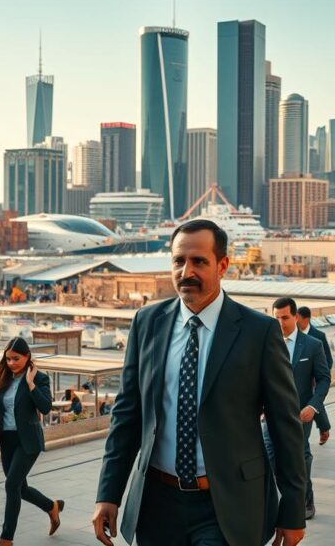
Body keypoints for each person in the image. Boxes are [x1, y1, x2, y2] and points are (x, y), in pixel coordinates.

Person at [93, 219, 306, 546]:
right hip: (157, 504)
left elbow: (284, 426)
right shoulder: (147, 323)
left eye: (199, 261)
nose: (186, 271)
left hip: (226, 504)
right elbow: (127, 414)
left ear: (222, 265)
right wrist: (108, 494)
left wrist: (292, 509)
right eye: (179, 261)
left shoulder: (258, 332)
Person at [0, 337, 63, 545]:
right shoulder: (2, 378)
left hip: (28, 441)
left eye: (16, 358)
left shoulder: (40, 378)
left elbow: (46, 407)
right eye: (8, 359)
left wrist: (30, 384)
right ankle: (51, 506)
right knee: (20, 488)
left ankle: (6, 539)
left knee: (11, 485)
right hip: (6, 440)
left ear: (27, 356)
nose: (11, 363)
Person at [264, 297, 330, 521]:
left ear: (295, 317)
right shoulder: (266, 342)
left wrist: (313, 405)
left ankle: (306, 498)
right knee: (269, 456)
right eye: (277, 318)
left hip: (300, 414)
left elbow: (323, 379)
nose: (280, 322)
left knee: (298, 458)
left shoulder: (312, 345)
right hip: (271, 413)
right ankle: (282, 498)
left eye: (285, 317)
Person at [296, 306, 333, 445]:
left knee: (314, 402)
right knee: (314, 403)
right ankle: (324, 428)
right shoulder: (293, 335)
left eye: (297, 318)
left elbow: (327, 359)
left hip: (315, 379)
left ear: (306, 319)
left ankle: (324, 428)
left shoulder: (318, 336)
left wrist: (319, 377)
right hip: (302, 379)